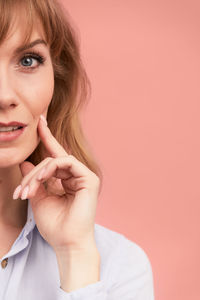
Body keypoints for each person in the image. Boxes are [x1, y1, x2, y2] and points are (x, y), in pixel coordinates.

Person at [0, 0, 154, 299]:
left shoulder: (118, 266)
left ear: (57, 81)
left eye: (29, 60)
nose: (4, 95)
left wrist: (75, 256)